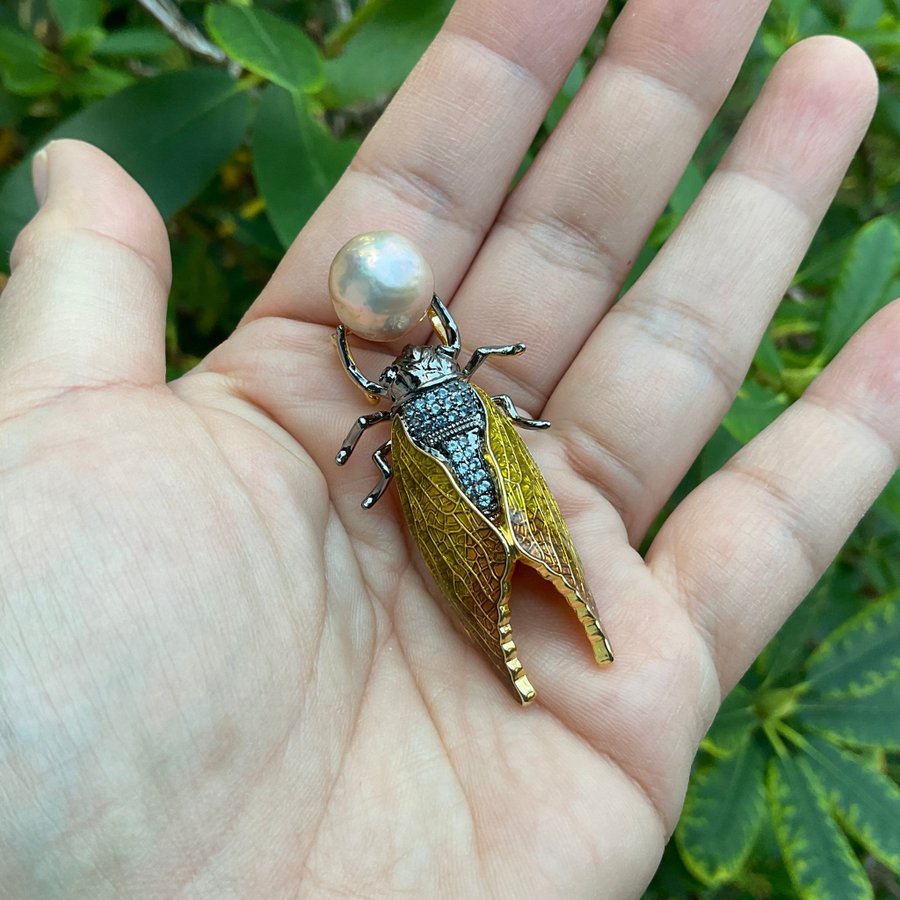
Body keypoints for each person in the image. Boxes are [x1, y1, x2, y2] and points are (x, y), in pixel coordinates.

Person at [0, 0, 896, 895]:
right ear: (430, 363)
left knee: (484, 473)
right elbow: (401, 382)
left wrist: (382, 374)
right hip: (463, 444)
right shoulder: (439, 380)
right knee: (478, 474)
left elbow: (377, 397)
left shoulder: (402, 396)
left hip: (454, 448)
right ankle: (540, 629)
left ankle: (568, 612)